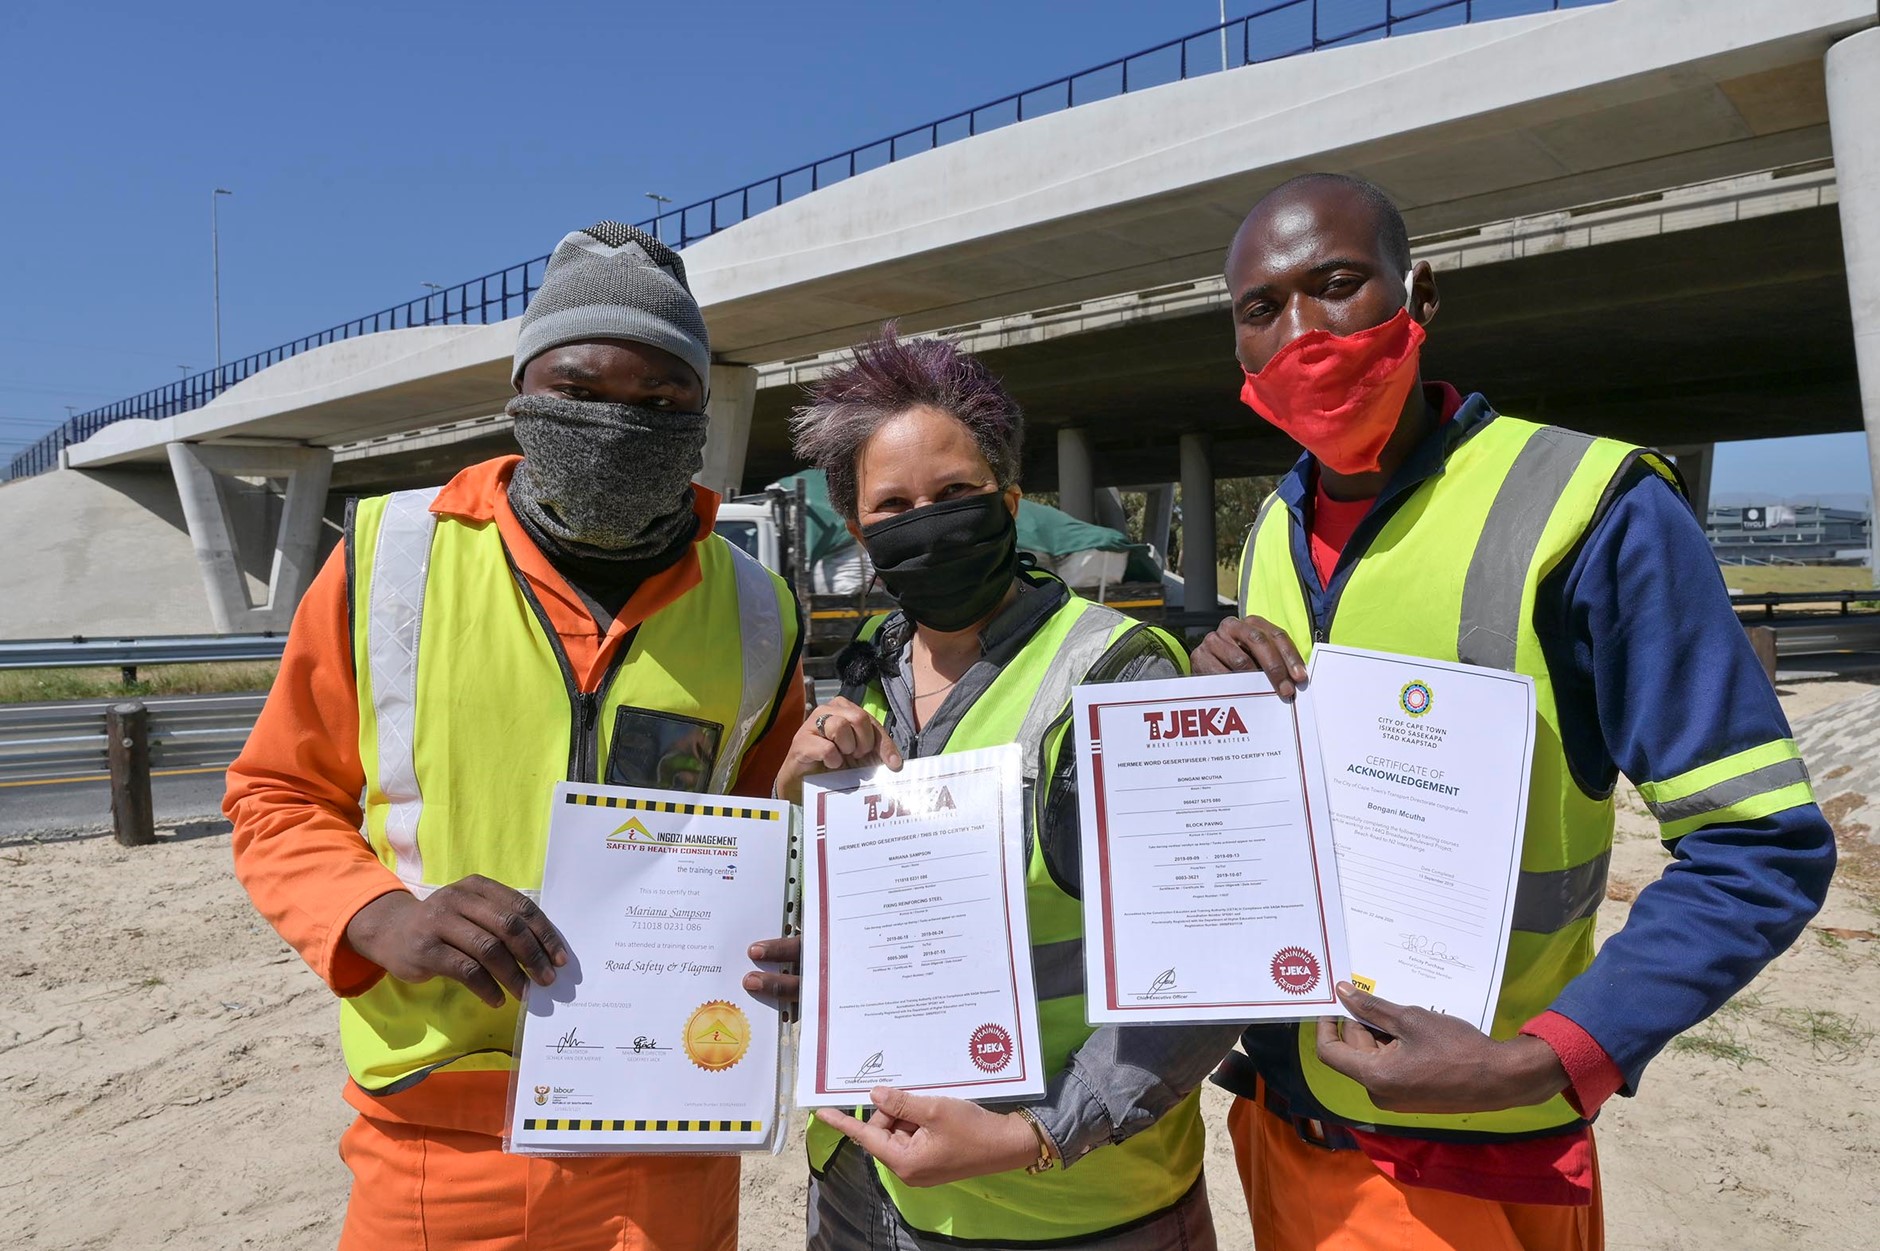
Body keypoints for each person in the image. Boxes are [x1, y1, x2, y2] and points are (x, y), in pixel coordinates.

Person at [1193, 173, 1836, 1250]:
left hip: (1470, 1153)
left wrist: (1544, 1058)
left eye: (1336, 285)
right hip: (1284, 1128)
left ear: (1419, 295)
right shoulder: (1269, 531)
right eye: (1262, 309)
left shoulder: (1589, 508)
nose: (1301, 333)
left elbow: (1758, 845)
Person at [225, 222, 806, 1250]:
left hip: (673, 1118)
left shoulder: (758, 608)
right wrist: (375, 915)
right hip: (441, 1135)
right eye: (580, 389)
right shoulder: (389, 561)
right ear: (522, 393)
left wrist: (799, 928)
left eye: (661, 399)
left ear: (700, 414)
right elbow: (277, 797)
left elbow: (775, 832)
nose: (619, 422)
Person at [782, 327, 1241, 1250]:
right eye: (894, 505)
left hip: (1070, 1209)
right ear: (862, 532)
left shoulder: (1118, 674)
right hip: (861, 1192)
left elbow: (1213, 955)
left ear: (1011, 500)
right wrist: (793, 812)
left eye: (955, 494)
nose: (927, 521)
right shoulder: (866, 669)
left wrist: (1041, 1133)